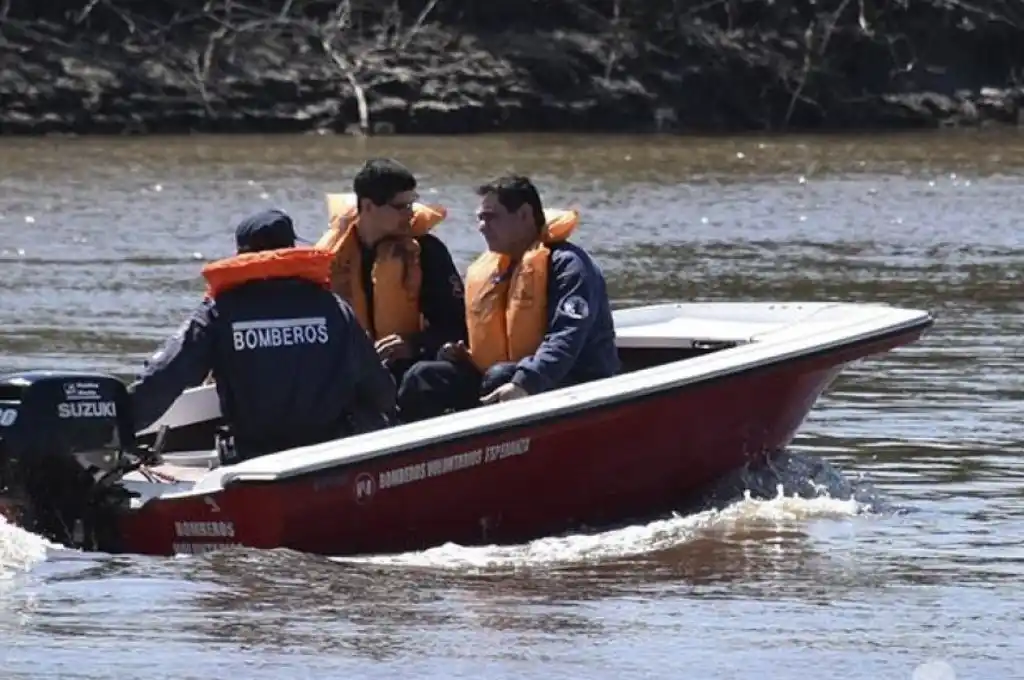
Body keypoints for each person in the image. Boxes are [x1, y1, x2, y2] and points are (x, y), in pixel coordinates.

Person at [128, 208, 398, 462]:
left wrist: (119, 427)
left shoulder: (219, 312)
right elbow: (380, 391)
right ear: (291, 249)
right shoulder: (334, 309)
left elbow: (163, 377)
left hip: (251, 461)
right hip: (324, 456)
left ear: (241, 254)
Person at [397, 175, 620, 422]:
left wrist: (525, 382)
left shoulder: (569, 266)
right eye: (479, 218)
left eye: (491, 217)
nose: (482, 226)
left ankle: (490, 452)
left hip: (571, 384)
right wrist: (462, 354)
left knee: (500, 376)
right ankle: (416, 453)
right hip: (506, 378)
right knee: (424, 375)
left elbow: (566, 337)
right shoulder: (497, 267)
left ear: (524, 215)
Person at [314, 158, 468, 385]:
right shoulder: (331, 258)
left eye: (411, 205)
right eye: (400, 207)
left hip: (411, 365)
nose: (410, 214)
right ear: (367, 207)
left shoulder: (427, 251)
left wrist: (413, 345)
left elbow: (456, 325)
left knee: (421, 377)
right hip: (352, 369)